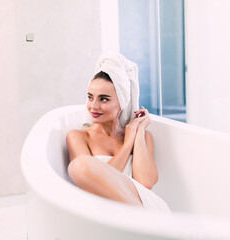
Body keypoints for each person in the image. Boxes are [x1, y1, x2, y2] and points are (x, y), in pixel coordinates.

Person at [66, 52, 170, 212]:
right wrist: (127, 145)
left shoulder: (142, 136)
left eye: (104, 99)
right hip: (108, 215)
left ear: (121, 102)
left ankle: (147, 222)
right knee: (80, 166)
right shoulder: (79, 137)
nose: (93, 106)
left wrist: (138, 132)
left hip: (148, 207)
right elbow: (88, 185)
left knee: (81, 165)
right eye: (90, 97)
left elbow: (146, 183)